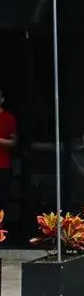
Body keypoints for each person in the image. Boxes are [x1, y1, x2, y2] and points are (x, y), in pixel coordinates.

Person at [0, 88, 18, 219]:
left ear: (2, 100)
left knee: (1, 201)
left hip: (3, 166)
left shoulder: (8, 118)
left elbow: (14, 142)